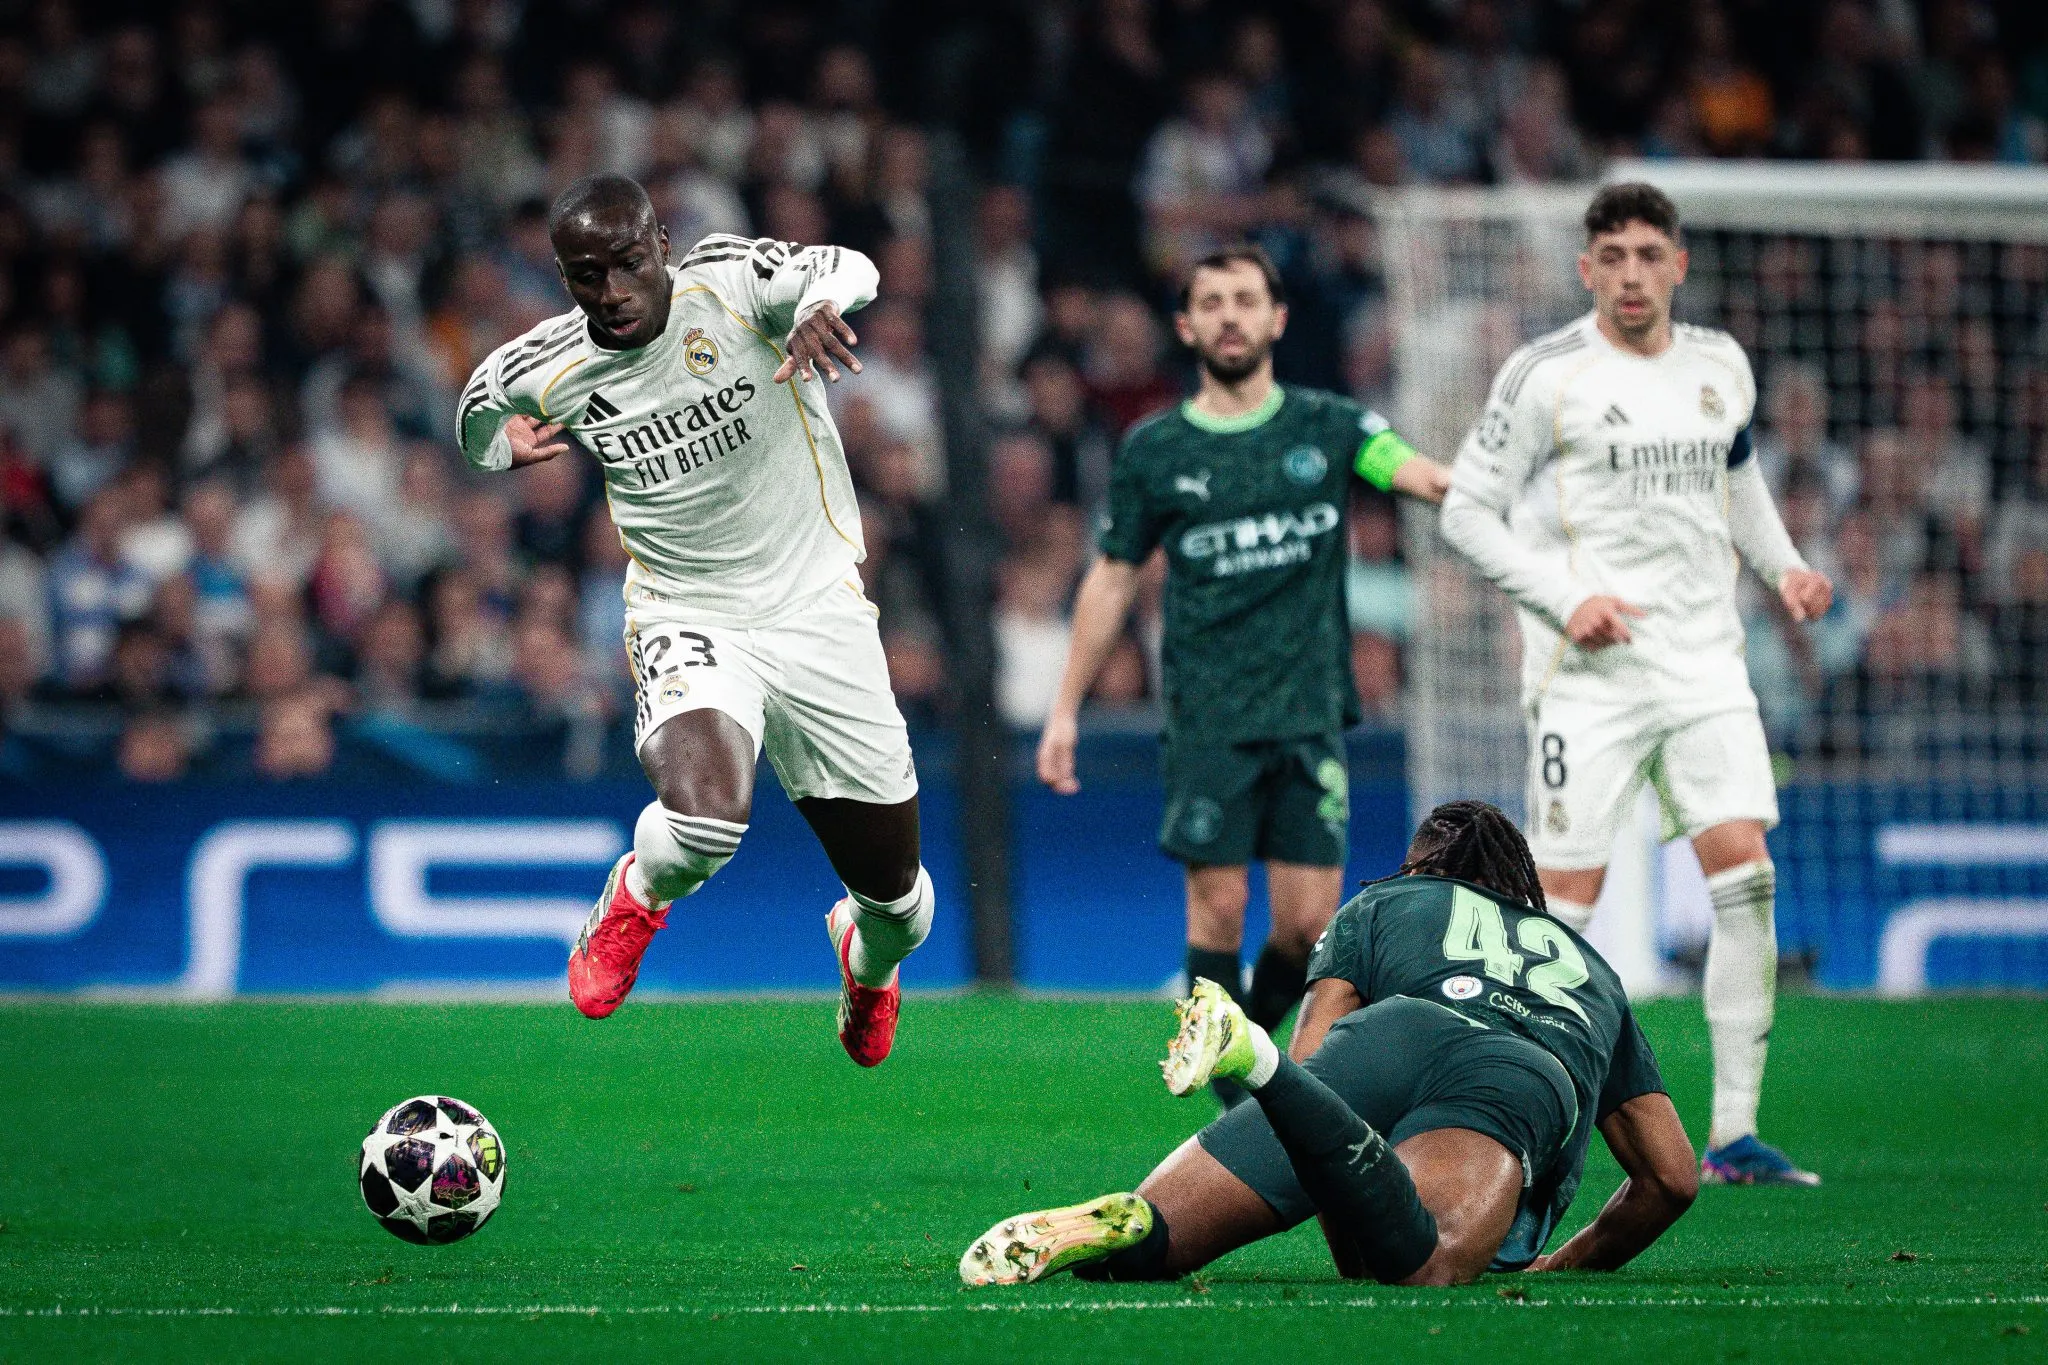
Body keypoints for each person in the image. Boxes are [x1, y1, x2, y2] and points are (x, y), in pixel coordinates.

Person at [456, 176, 932, 1066]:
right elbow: (475, 415)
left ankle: (866, 964)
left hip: (817, 605)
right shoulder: (544, 365)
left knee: (899, 901)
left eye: (629, 263)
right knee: (708, 821)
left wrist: (822, 302)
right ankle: (633, 893)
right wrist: (501, 452)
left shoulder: (733, 285)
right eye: (586, 275)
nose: (612, 292)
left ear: (663, 243)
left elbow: (851, 264)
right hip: (689, 608)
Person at [1436, 183, 1834, 1186]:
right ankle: (1514, 1120)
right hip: (1589, 676)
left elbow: (1736, 482)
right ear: (1584, 269)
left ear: (1677, 265)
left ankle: (1733, 1135)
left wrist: (1781, 564)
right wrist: (1565, 597)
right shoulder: (1544, 374)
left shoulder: (1719, 365)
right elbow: (1466, 513)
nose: (1628, 274)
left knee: (1744, 874)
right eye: (1609, 255)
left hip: (1705, 665)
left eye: (1646, 255)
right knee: (1562, 900)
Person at [960, 800, 1697, 1286]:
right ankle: (1249, 1055)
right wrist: (1567, 1264)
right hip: (1517, 1070)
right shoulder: (1591, 970)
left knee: (1155, 1238)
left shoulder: (1381, 902)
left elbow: (1316, 1070)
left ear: (1422, 869)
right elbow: (1670, 1178)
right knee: (1427, 1262)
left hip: (1388, 1033)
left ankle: (1241, 1072)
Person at [1036, 244, 1449, 1101]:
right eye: (1212, 302)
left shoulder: (1332, 427)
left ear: (1277, 318)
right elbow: (1113, 575)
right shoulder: (1158, 448)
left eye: (1246, 300)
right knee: (1218, 912)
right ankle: (1236, 1114)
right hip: (1209, 721)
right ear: (1186, 326)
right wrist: (1065, 708)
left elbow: (1410, 472)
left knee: (1305, 929)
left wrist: (1468, 482)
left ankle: (1245, 1057)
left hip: (1308, 715)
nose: (1230, 315)